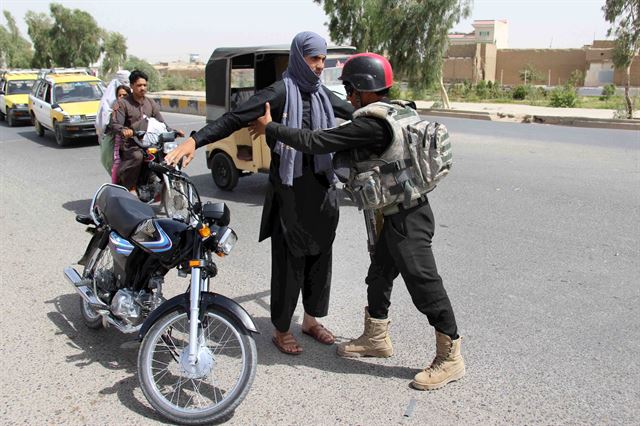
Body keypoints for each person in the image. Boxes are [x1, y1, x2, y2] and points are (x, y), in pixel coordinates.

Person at [248, 53, 465, 390]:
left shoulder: (370, 124)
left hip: (408, 218)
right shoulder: (398, 110)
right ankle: (376, 338)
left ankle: (450, 356)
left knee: (424, 284)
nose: (348, 96)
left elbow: (316, 141)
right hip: (392, 213)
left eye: (350, 88)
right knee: (379, 276)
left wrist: (269, 128)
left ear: (365, 88)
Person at [166, 32, 354, 355]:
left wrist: (389, 116)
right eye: (314, 59)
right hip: (291, 193)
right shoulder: (280, 92)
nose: (320, 66)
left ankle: (310, 320)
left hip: (323, 190)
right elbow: (234, 117)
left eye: (323, 59)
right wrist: (195, 141)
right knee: (289, 262)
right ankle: (281, 330)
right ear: (299, 58)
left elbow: (354, 113)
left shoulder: (324, 95)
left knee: (320, 258)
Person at [111, 69, 183, 194]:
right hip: (132, 144)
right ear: (132, 86)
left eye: (144, 85)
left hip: (151, 143)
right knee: (137, 156)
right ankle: (130, 187)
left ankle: (163, 185)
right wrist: (125, 130)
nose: (142, 88)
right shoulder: (123, 103)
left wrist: (174, 132)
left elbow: (162, 123)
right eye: (139, 85)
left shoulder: (151, 103)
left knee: (172, 154)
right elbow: (115, 124)